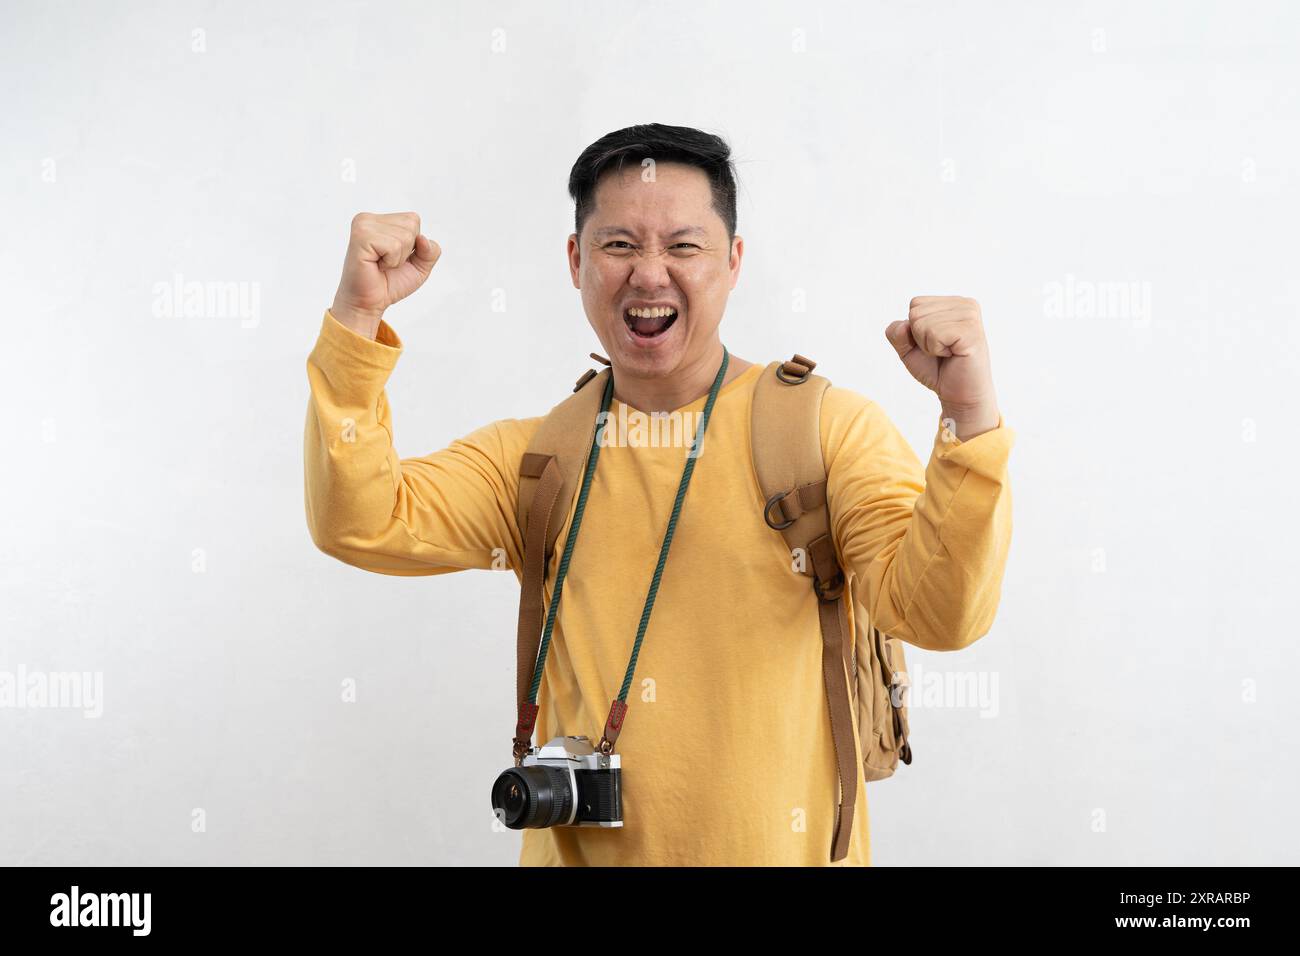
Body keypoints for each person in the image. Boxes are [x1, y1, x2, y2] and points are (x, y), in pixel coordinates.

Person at [303, 123, 1015, 866]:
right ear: (576, 261)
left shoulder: (826, 432)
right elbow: (359, 521)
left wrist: (969, 419)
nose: (649, 275)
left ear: (733, 262)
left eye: (683, 246)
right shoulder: (541, 457)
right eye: (618, 245)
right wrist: (358, 320)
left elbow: (941, 615)